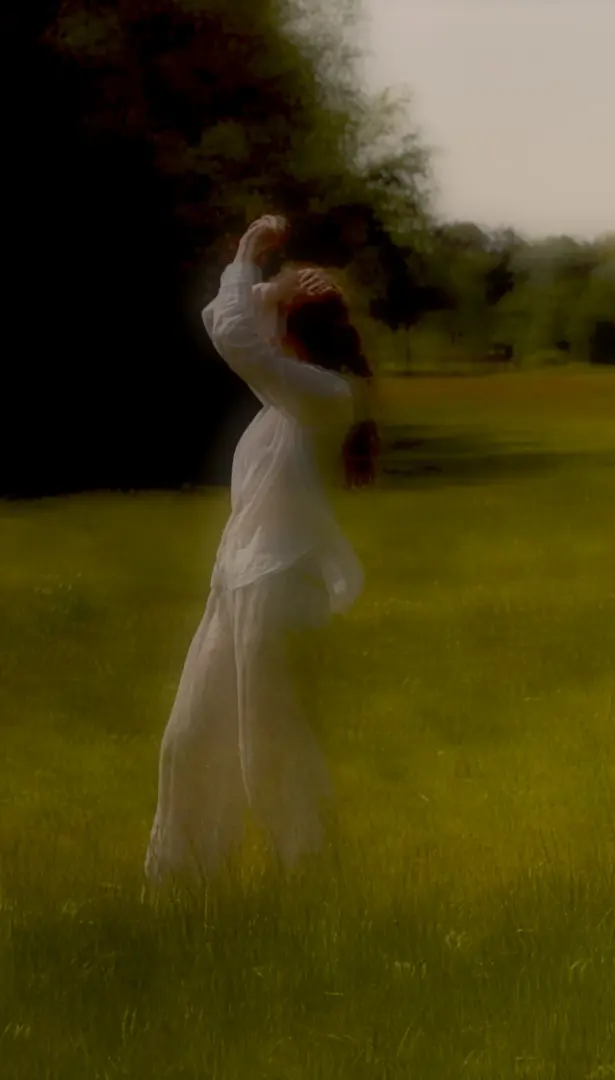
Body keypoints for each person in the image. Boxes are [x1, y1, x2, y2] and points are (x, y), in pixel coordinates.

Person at [145, 214, 379, 885]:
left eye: (277, 303)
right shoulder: (283, 401)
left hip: (280, 590)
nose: (264, 304)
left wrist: (249, 256)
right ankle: (183, 881)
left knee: (272, 752)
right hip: (238, 583)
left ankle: (312, 881)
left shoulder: (326, 397)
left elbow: (236, 337)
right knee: (189, 739)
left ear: (290, 325)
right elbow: (230, 324)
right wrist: (266, 288)